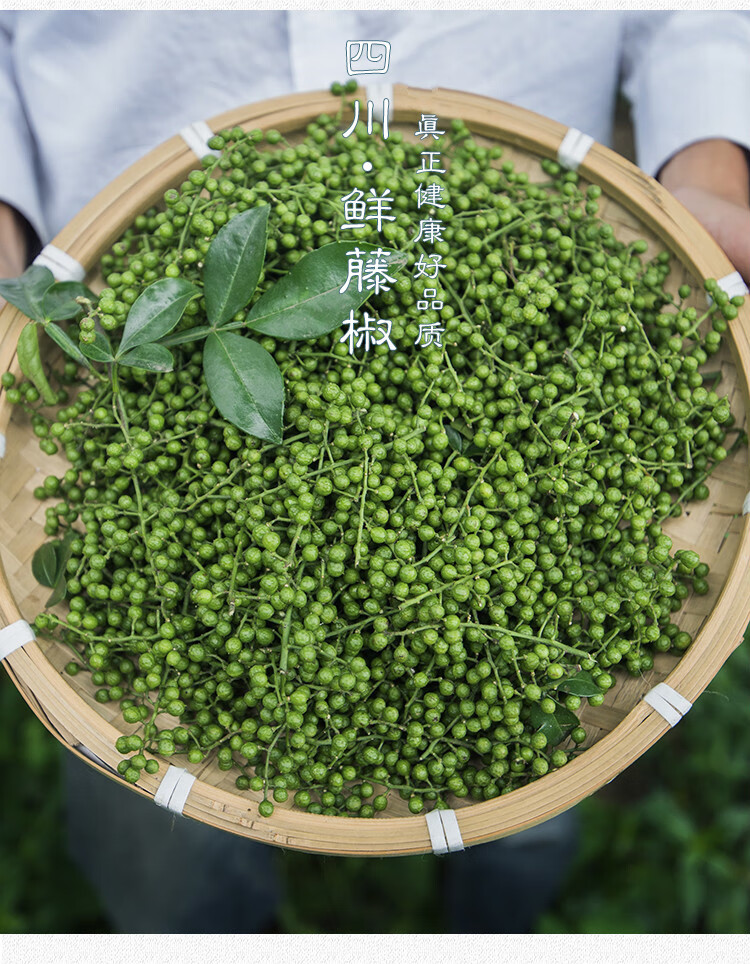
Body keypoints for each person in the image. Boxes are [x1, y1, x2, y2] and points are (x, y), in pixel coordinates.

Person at [2, 9, 750, 934]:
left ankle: (498, 911)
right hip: (129, 258)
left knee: (535, 772)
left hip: (486, 175)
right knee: (165, 852)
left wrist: (706, 168)